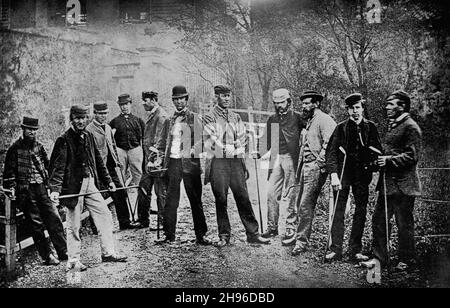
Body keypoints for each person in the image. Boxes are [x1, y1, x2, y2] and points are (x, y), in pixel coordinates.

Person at [49, 105, 127, 271]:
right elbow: (58, 168)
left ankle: (108, 252)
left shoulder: (89, 136)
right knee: (74, 224)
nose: (81, 121)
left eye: (84, 118)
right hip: (73, 188)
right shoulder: (64, 140)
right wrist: (55, 190)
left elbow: (98, 161)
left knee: (105, 214)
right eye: (77, 118)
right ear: (72, 119)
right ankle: (73, 260)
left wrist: (108, 181)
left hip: (90, 183)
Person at [362, 90, 422, 272]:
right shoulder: (394, 125)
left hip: (404, 186)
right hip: (388, 184)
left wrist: (388, 160)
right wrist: (378, 159)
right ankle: (379, 259)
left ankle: (406, 260)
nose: (386, 107)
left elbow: (412, 156)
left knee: (404, 224)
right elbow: (393, 150)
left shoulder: (411, 127)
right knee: (379, 220)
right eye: (387, 103)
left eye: (391, 104)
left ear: (402, 106)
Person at [203, 85, 270, 247]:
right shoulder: (209, 117)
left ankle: (253, 233)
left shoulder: (235, 116)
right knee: (221, 198)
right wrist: (229, 147)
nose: (226, 98)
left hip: (236, 163)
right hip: (218, 163)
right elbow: (212, 139)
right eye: (223, 96)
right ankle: (224, 236)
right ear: (216, 97)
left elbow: (243, 137)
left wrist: (238, 146)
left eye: (228, 96)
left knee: (243, 196)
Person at [325, 93, 382, 262]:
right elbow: (331, 153)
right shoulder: (341, 128)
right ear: (347, 110)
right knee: (338, 210)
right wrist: (334, 175)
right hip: (343, 174)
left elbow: (378, 150)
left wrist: (373, 164)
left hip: (362, 176)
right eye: (351, 108)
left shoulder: (371, 127)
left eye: (358, 107)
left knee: (361, 211)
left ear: (362, 108)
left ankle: (355, 250)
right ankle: (336, 249)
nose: (355, 111)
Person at [3, 116, 67, 266]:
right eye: (29, 129)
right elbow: (9, 174)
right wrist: (12, 188)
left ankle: (63, 251)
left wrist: (51, 186)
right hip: (26, 191)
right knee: (36, 225)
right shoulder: (14, 149)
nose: (31, 132)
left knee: (54, 219)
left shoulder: (39, 146)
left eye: (34, 130)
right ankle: (47, 256)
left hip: (42, 188)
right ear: (23, 129)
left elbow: (48, 167)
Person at [155, 86, 211, 245]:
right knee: (171, 200)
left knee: (195, 200)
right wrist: (158, 157)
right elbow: (161, 142)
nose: (179, 102)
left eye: (182, 99)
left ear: (186, 100)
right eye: (176, 99)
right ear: (173, 101)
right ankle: (168, 234)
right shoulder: (169, 120)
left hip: (190, 164)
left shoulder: (194, 118)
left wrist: (194, 150)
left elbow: (204, 140)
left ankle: (201, 235)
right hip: (172, 164)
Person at [284, 90, 336, 256]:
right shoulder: (310, 120)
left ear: (317, 103)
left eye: (307, 103)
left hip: (314, 168)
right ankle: (300, 235)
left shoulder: (325, 120)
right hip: (304, 165)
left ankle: (301, 241)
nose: (304, 106)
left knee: (306, 205)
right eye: (303, 103)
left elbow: (330, 143)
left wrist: (319, 162)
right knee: (299, 202)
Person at [258, 89, 304, 241]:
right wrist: (258, 152)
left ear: (288, 102)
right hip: (277, 158)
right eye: (276, 103)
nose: (279, 106)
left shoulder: (297, 117)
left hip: (292, 159)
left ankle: (291, 228)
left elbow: (308, 134)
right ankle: (272, 227)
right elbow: (266, 140)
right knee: (271, 192)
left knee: (292, 194)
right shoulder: (272, 119)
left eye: (282, 103)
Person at [86, 101, 136, 230]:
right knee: (96, 196)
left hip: (110, 166)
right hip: (97, 168)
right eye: (100, 113)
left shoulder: (108, 128)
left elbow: (112, 144)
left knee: (119, 191)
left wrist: (116, 161)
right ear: (95, 114)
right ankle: (95, 227)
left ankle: (124, 222)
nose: (103, 116)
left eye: (105, 113)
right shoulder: (89, 130)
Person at [135, 91, 169, 229]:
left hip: (156, 162)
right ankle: (143, 220)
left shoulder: (161, 116)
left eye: (146, 100)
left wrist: (155, 161)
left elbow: (160, 142)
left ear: (154, 100)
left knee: (160, 192)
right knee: (143, 188)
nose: (143, 103)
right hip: (148, 162)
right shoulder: (152, 114)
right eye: (143, 100)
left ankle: (163, 223)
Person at [109, 94, 145, 188]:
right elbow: (109, 138)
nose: (124, 107)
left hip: (135, 149)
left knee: (138, 173)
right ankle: (122, 195)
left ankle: (141, 195)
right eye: (122, 105)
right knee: (120, 173)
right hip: (120, 150)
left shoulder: (138, 120)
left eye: (126, 104)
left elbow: (144, 136)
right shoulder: (114, 122)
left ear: (130, 104)